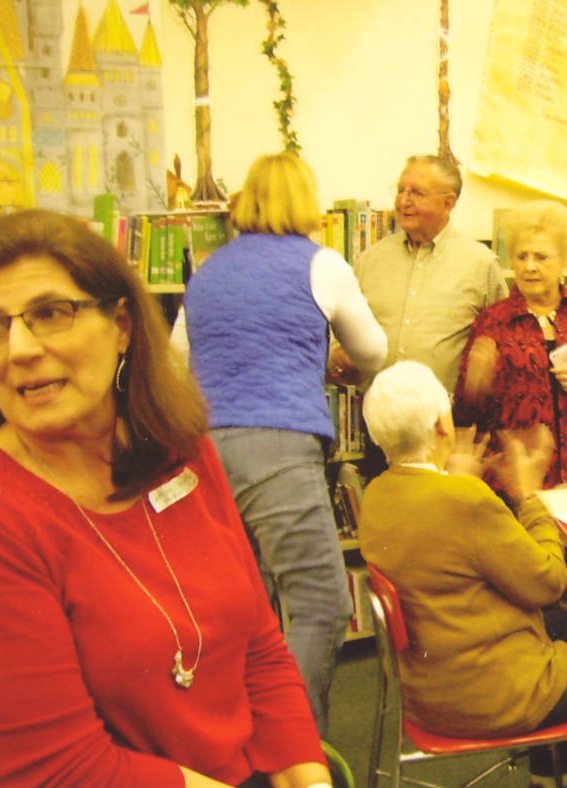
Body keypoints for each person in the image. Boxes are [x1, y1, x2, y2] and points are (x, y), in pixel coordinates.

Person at [0, 210, 330, 786]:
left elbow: (260, 649)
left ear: (121, 325)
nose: (17, 348)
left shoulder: (181, 450)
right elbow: (63, 770)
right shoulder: (4, 517)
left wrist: (310, 779)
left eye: (50, 313)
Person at [358, 360, 567, 788]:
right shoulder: (463, 500)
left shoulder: (376, 494)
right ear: (442, 425)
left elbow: (444, 552)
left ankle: (549, 778)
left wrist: (456, 479)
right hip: (483, 694)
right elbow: (548, 582)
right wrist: (528, 493)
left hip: (426, 685)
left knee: (566, 623)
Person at [172, 152, 388, 736]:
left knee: (247, 605)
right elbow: (372, 352)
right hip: (277, 446)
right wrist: (321, 354)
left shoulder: (208, 271)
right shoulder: (322, 264)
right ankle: (291, 743)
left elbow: (177, 363)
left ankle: (239, 738)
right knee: (321, 601)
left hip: (204, 454)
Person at [454, 200, 567, 489]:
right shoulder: (493, 322)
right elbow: (466, 416)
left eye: (541, 257)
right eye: (521, 256)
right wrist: (476, 385)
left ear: (563, 260)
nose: (529, 267)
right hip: (517, 480)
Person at [339, 154, 508, 392]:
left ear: (448, 203)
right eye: (400, 190)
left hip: (447, 421)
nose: (403, 201)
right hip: (376, 417)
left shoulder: (482, 264)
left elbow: (504, 348)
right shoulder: (370, 261)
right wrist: (338, 359)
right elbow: (340, 335)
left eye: (417, 193)